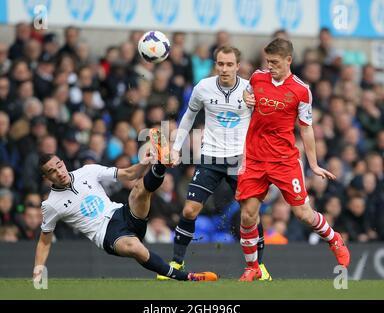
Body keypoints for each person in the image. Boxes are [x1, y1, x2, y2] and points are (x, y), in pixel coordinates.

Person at [32, 131, 218, 284]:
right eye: (52, 172)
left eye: (58, 166)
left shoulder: (87, 171)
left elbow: (129, 174)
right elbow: (44, 241)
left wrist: (143, 163)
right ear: (46, 178)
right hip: (107, 235)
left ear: (63, 163)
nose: (59, 172)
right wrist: (38, 270)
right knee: (135, 248)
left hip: (121, 213)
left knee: (138, 189)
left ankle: (160, 162)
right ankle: (188, 277)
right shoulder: (51, 205)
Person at [238, 38, 350, 281]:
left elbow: (306, 129)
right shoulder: (257, 77)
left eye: (275, 62)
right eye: (268, 61)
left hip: (284, 160)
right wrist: (246, 100)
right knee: (248, 215)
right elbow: (245, 98)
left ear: (289, 60)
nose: (270, 66)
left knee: (303, 214)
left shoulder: (301, 90)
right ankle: (252, 267)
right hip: (255, 158)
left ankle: (333, 238)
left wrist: (313, 164)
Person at [157, 46, 271, 281]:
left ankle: (259, 268)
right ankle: (176, 263)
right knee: (189, 210)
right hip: (210, 157)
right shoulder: (203, 87)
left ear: (238, 66)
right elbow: (188, 117)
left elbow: (265, 122)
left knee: (250, 215)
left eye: (229, 64)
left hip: (241, 159)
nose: (225, 69)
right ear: (215, 65)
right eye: (221, 64)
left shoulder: (251, 89)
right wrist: (176, 148)